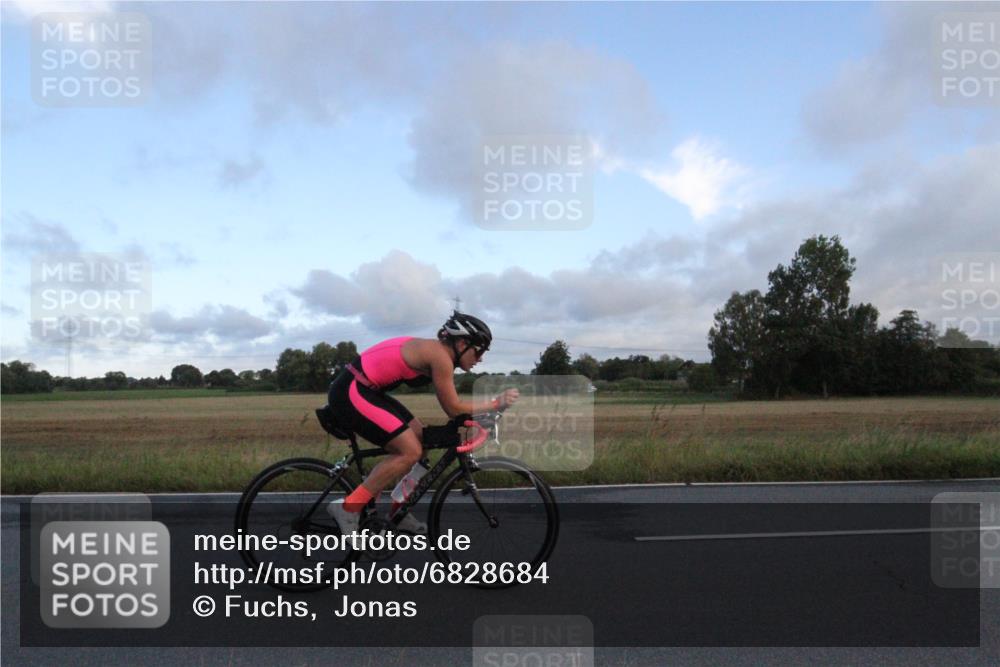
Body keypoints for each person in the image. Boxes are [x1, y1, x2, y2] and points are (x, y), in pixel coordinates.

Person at [326, 311, 519, 535]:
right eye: (479, 351)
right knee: (409, 451)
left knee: (422, 441)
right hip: (351, 392)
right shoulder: (440, 357)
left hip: (366, 389)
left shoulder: (438, 353)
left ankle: (398, 510)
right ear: (463, 343)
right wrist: (495, 403)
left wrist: (480, 414)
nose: (481, 358)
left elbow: (454, 413)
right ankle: (348, 508)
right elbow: (453, 408)